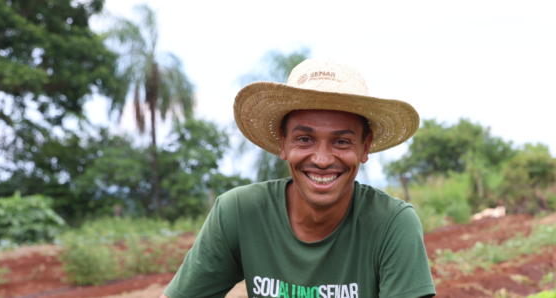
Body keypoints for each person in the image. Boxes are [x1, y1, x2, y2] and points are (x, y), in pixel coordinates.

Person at [161, 59, 435, 298]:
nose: (322, 159)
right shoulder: (240, 213)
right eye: (304, 139)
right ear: (283, 143)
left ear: (365, 147)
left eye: (341, 141)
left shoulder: (391, 224)